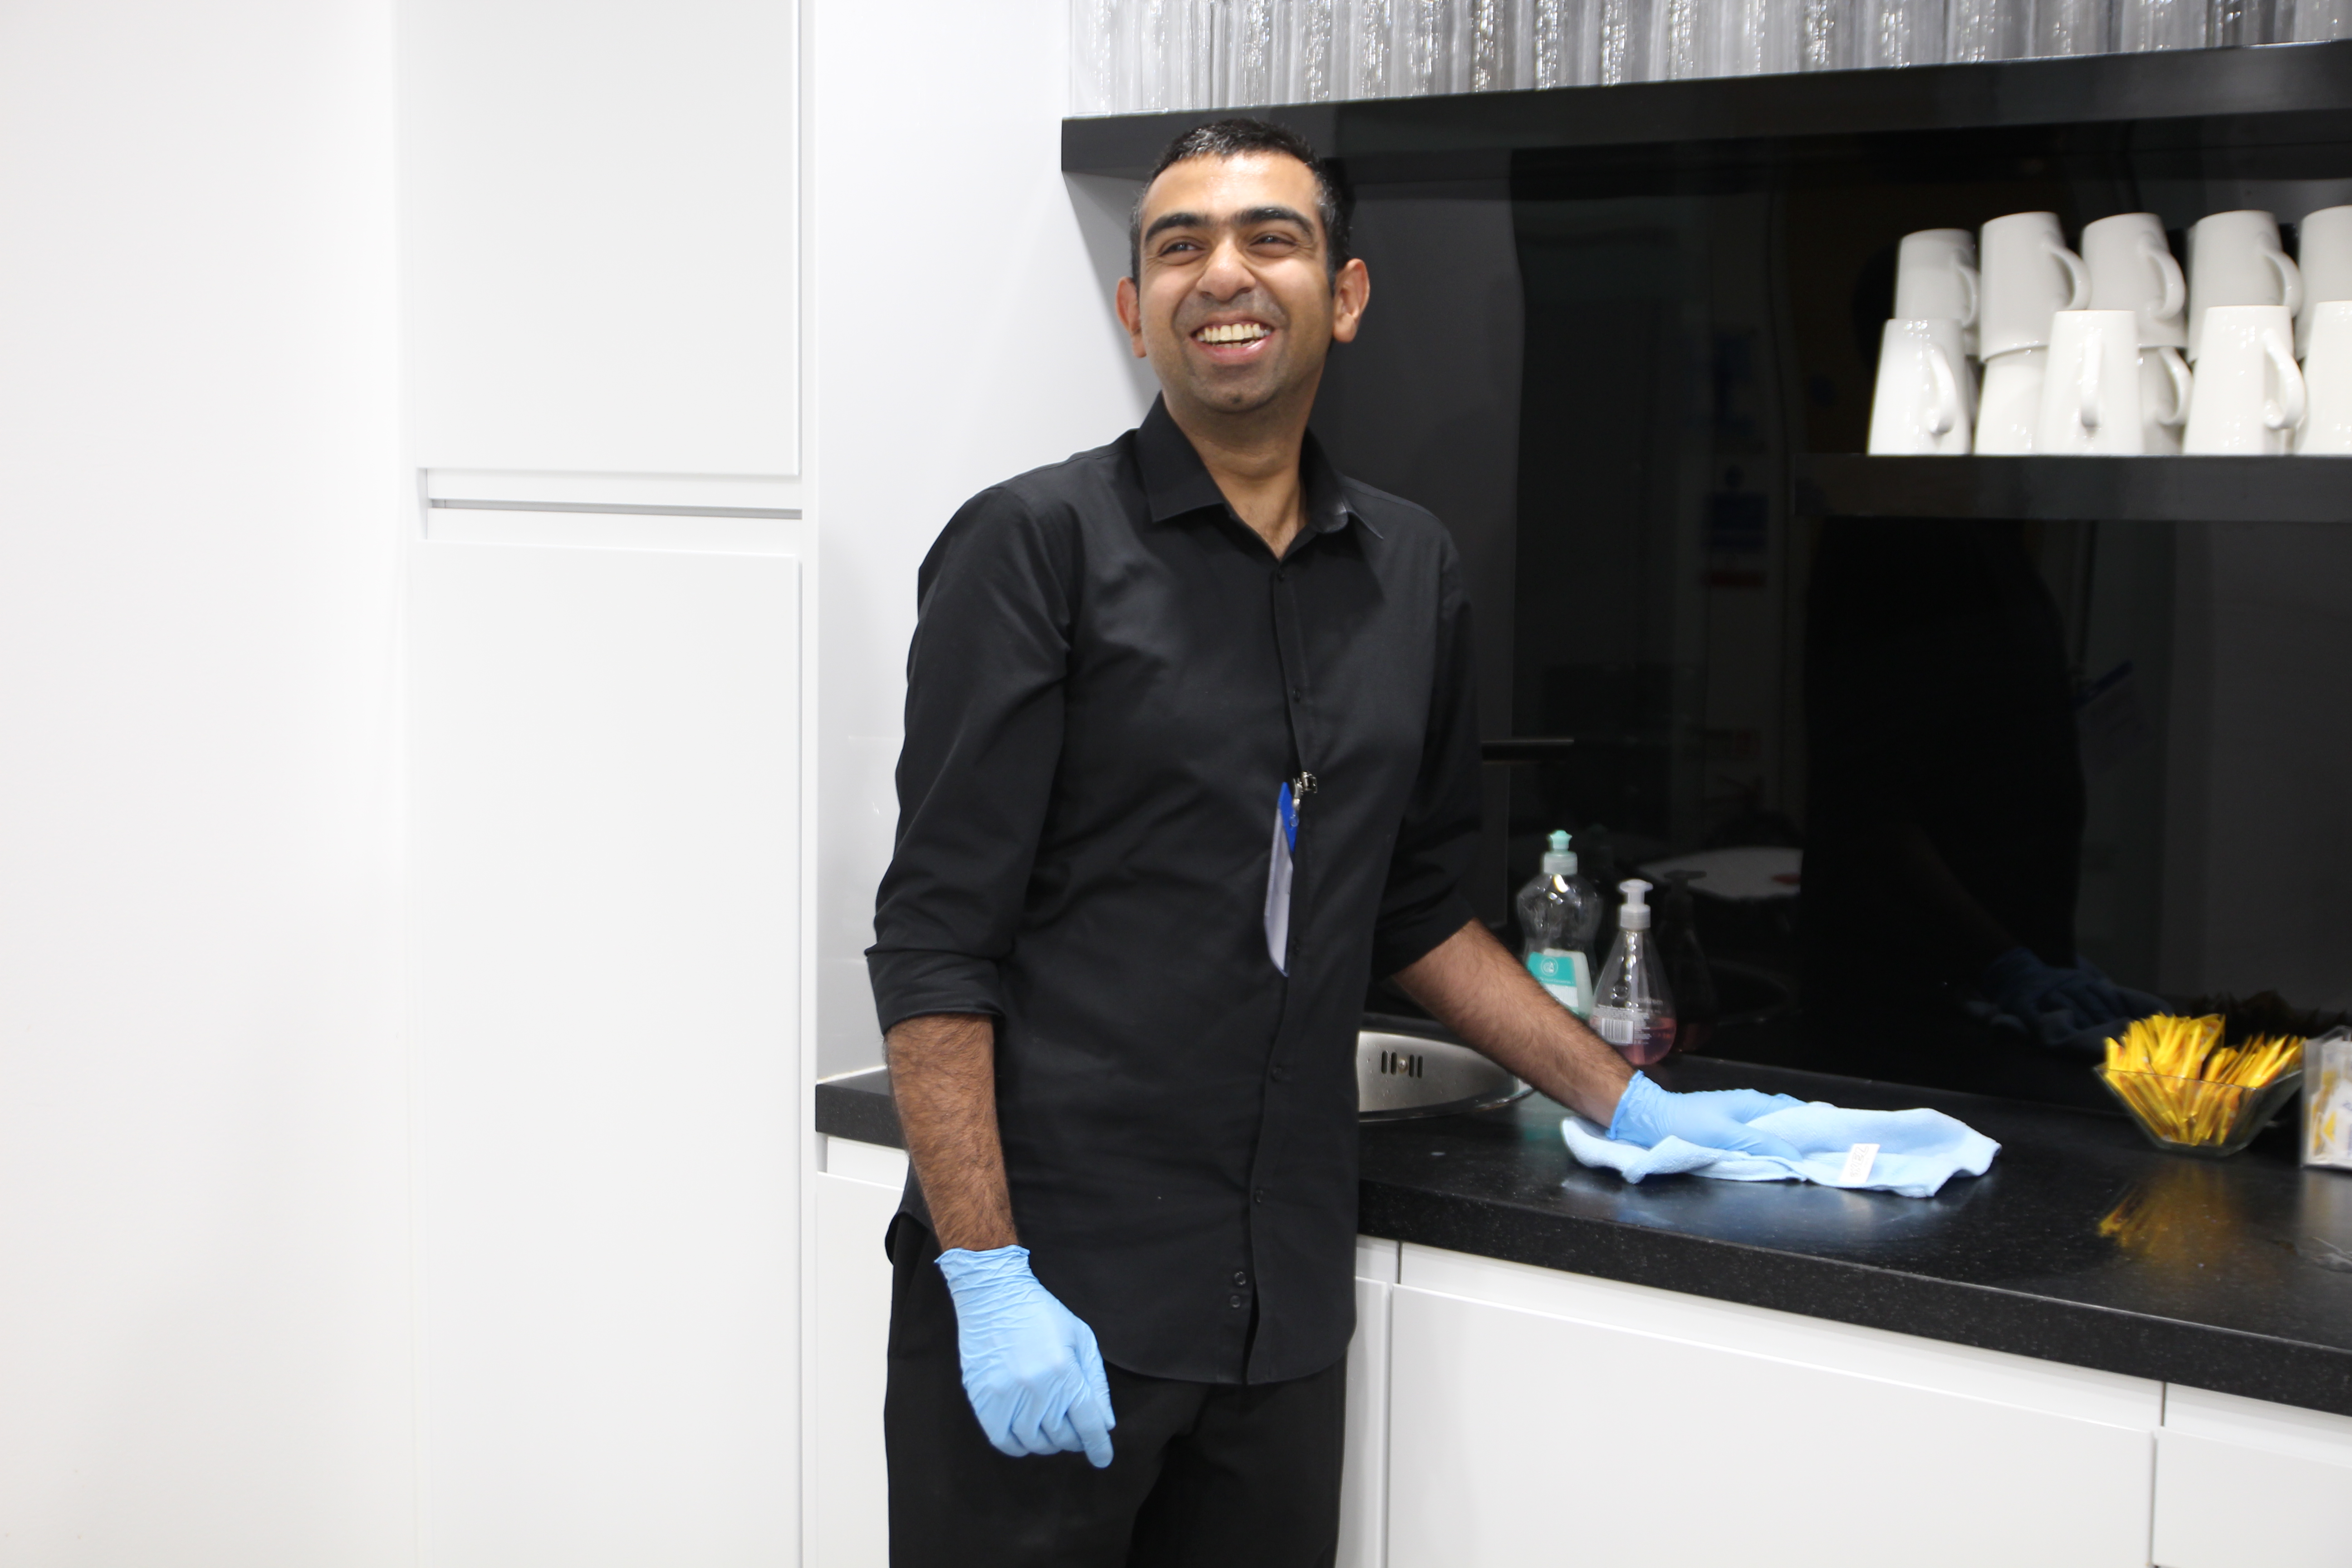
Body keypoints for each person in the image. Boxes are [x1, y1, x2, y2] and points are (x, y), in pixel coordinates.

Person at [866, 118, 1796, 1568]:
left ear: (1345, 296)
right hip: (1061, 1297)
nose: (1221, 273)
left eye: (1269, 238)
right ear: (1134, 312)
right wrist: (987, 1277)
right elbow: (935, 940)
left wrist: (1626, 1102)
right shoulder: (1033, 546)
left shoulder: (1410, 568)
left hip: (1279, 1312)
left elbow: (1413, 904)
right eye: (1178, 245)